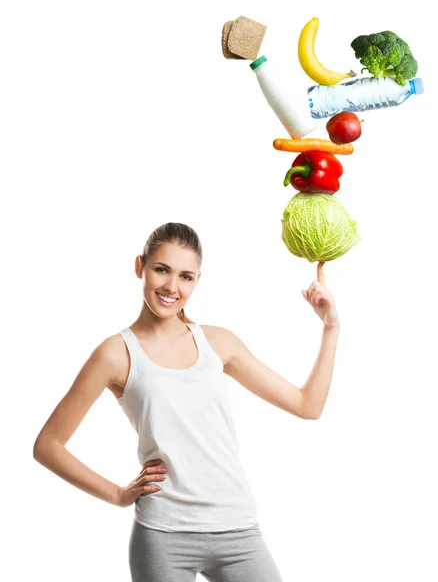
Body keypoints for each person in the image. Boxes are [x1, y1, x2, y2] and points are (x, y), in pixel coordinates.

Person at [33, 222, 340, 582]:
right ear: (140, 267)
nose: (171, 287)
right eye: (161, 270)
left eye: (186, 276)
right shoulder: (115, 354)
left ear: (197, 281)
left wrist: (330, 327)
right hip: (162, 536)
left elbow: (308, 405)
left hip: (238, 529)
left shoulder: (218, 343)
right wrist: (117, 494)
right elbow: (48, 446)